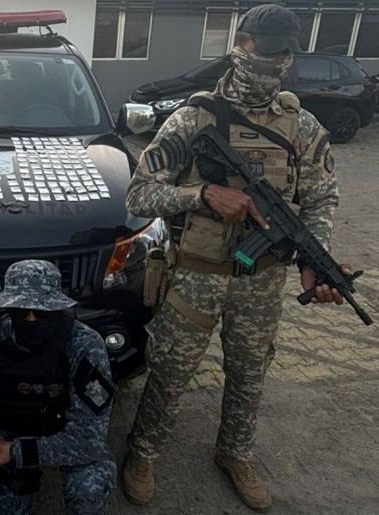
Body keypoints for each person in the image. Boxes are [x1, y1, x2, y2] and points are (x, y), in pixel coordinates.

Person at [122, 4, 349, 512]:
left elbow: (319, 200)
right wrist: (201, 195)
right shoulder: (191, 117)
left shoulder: (303, 127)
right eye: (262, 51)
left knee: (250, 372)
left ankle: (235, 453)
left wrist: (318, 259)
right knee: (172, 371)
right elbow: (138, 195)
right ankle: (143, 452)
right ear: (239, 47)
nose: (271, 63)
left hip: (262, 282)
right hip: (195, 276)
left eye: (281, 55)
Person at [0, 259, 116, 514]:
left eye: (42, 312)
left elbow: (88, 441)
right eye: (21, 311)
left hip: (62, 430)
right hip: (10, 426)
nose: (31, 318)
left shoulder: (85, 346)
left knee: (87, 492)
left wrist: (14, 452)